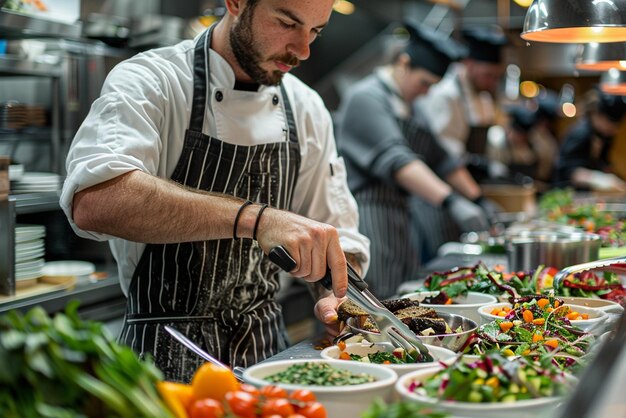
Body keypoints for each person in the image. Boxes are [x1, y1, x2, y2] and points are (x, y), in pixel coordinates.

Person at [60, 0, 370, 383]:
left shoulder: (306, 108)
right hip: (161, 364)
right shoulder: (153, 80)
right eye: (287, 23)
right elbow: (94, 200)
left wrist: (339, 295)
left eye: (315, 31)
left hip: (268, 361)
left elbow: (339, 234)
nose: (303, 50)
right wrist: (255, 220)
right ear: (236, 3)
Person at [335, 21, 492, 299]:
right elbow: (398, 160)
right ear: (404, 63)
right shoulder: (366, 98)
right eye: (424, 83)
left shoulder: (413, 107)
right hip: (367, 217)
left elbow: (442, 159)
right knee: (371, 300)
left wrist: (477, 198)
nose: (427, 92)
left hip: (401, 217)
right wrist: (452, 201)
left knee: (400, 295)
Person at [417, 25, 508, 183]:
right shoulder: (446, 94)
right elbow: (443, 153)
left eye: (496, 77)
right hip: (445, 180)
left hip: (472, 179)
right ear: (469, 64)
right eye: (488, 75)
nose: (492, 83)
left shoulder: (483, 96)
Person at [555, 89, 626, 191]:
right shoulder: (580, 133)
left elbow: (603, 163)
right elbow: (569, 171)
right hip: (566, 193)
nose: (614, 129)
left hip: (587, 195)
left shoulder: (604, 136)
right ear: (596, 114)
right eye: (610, 122)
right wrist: (598, 179)